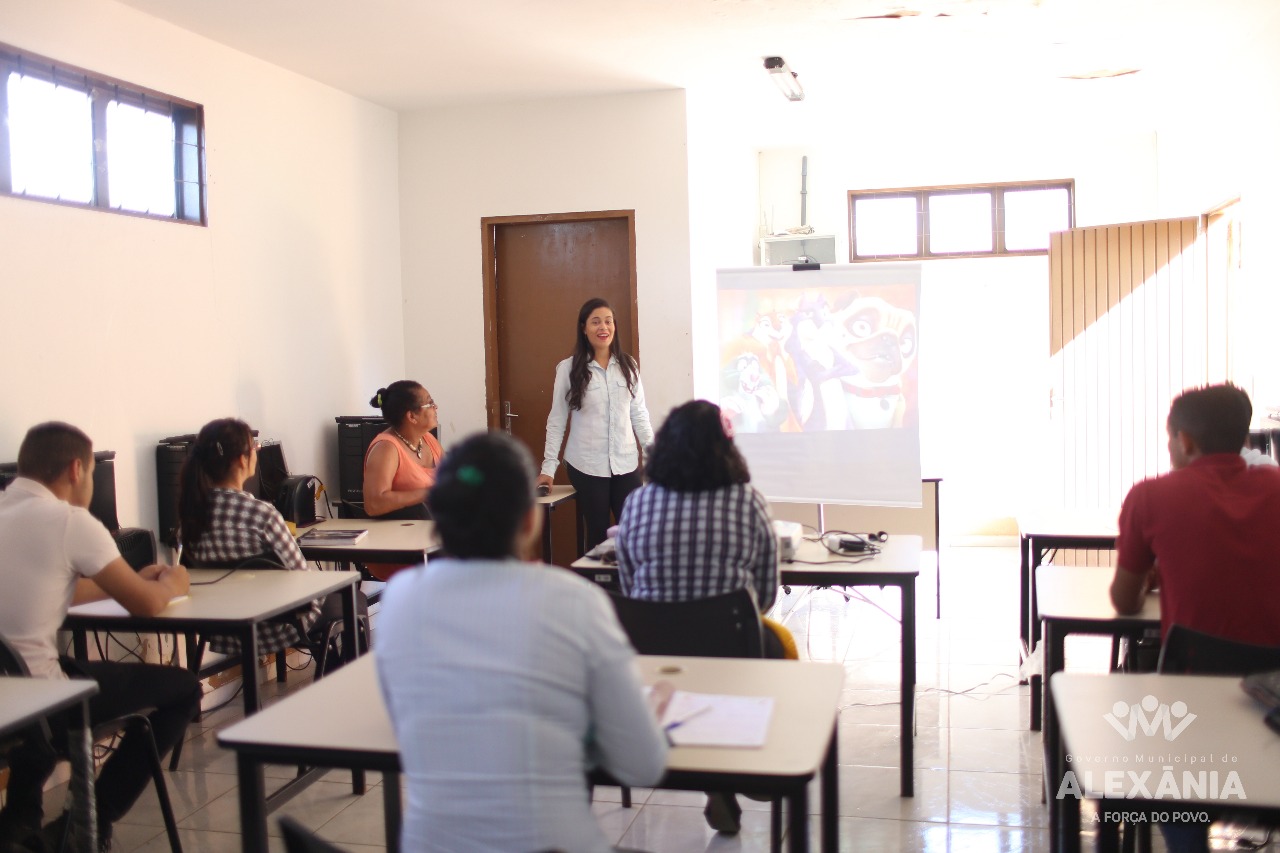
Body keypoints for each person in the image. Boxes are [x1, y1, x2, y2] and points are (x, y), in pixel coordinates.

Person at [376, 431, 668, 853]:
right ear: (531, 519)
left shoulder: (400, 599)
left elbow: (403, 721)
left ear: (436, 514)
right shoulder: (575, 601)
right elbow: (642, 764)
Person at [0, 422, 200, 853]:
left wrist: (125, 579)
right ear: (76, 469)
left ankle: (19, 826)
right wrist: (173, 584)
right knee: (183, 688)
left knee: (50, 667)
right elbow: (146, 606)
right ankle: (88, 818)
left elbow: (53, 587)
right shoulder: (69, 521)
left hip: (6, 699)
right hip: (40, 705)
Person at [1110, 384, 1280, 853]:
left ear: (1184, 442)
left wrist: (1153, 573)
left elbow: (1124, 603)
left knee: (1170, 783)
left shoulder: (1151, 496)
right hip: (1274, 700)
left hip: (1190, 702)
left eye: (1170, 443)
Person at [614, 399, 782, 835]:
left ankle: (715, 779)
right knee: (777, 643)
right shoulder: (749, 501)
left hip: (651, 652)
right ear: (727, 448)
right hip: (730, 643)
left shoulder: (637, 502)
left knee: (695, 646)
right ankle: (765, 760)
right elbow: (763, 595)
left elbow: (629, 587)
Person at [177, 417, 321, 660]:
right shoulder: (261, 514)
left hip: (220, 629)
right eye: (254, 447)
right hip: (274, 627)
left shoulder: (190, 515)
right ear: (242, 460)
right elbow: (302, 581)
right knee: (351, 601)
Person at [537, 297, 654, 551]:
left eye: (608, 321)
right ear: (584, 328)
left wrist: (655, 455)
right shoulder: (568, 369)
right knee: (599, 535)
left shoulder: (628, 366)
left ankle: (627, 589)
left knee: (632, 534)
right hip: (587, 464)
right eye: (596, 322)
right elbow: (556, 420)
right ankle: (597, 589)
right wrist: (549, 468)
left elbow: (639, 415)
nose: (604, 328)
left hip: (625, 462)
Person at [362, 380, 443, 579]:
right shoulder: (386, 448)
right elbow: (374, 504)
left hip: (432, 537)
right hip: (402, 549)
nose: (436, 407)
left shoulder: (428, 441)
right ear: (411, 416)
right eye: (430, 403)